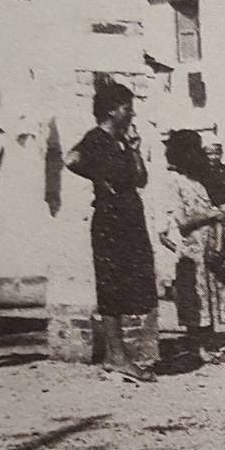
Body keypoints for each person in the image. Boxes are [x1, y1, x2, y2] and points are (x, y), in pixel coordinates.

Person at [66, 77, 158, 382]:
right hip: (110, 218)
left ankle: (114, 356)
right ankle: (118, 358)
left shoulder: (123, 142)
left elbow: (141, 179)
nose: (131, 114)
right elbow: (71, 160)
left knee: (129, 282)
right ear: (110, 111)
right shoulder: (96, 138)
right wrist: (98, 177)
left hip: (130, 217)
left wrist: (134, 150)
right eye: (127, 108)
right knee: (111, 286)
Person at [159, 129, 225, 364]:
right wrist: (212, 214)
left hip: (209, 248)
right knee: (195, 300)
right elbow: (183, 223)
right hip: (191, 251)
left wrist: (224, 213)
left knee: (210, 298)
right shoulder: (175, 183)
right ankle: (197, 348)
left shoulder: (200, 182)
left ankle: (209, 345)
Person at [200, 137, 225, 324]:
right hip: (213, 209)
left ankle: (218, 249)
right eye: (209, 153)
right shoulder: (204, 171)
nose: (213, 157)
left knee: (220, 220)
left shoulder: (224, 170)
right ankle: (218, 249)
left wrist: (223, 184)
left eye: (216, 153)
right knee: (217, 224)